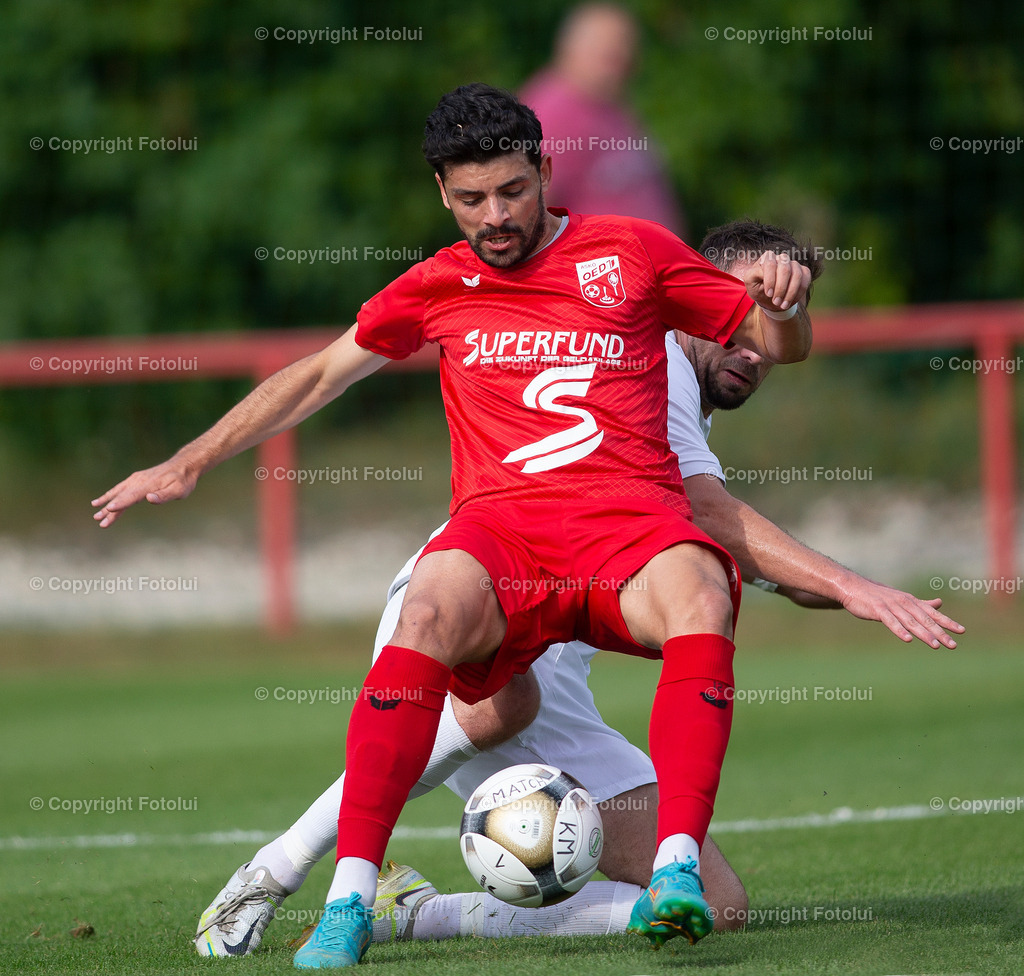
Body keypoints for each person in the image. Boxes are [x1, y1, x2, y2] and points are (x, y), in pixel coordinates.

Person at [94, 83, 815, 967]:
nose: (496, 216)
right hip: (493, 564)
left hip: (599, 576)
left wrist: (784, 310)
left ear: (546, 171)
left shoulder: (631, 260)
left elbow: (777, 343)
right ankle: (334, 897)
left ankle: (601, 884)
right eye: (471, 199)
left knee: (720, 868)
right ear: (441, 192)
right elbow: (319, 376)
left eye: (513, 191)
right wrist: (193, 457)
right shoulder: (441, 283)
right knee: (466, 666)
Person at [191, 221, 963, 956]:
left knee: (720, 907)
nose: (751, 342)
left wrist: (831, 588)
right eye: (742, 299)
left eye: (773, 308)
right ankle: (277, 871)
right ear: (696, 290)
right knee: (496, 708)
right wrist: (851, 585)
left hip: (558, 653)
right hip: (478, 594)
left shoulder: (681, 374)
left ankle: (416, 916)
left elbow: (711, 530)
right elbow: (711, 517)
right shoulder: (650, 352)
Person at [520, 3, 686, 236]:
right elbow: (527, 210)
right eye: (608, 53)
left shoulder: (611, 103)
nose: (623, 59)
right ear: (570, 47)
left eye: (627, 48)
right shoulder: (552, 111)